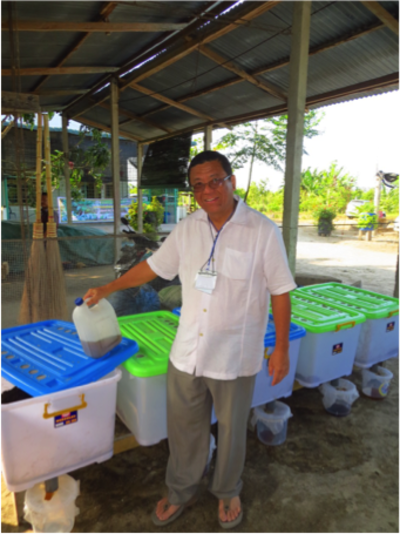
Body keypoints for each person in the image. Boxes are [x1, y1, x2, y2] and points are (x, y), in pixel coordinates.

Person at [83, 151, 296, 529]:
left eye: (215, 180)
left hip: (235, 354)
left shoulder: (263, 231)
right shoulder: (187, 228)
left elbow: (280, 290)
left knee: (231, 432)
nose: (207, 190)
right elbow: (153, 267)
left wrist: (280, 348)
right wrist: (108, 286)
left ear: (231, 181)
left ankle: (228, 489)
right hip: (186, 353)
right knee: (183, 429)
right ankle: (180, 489)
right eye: (198, 185)